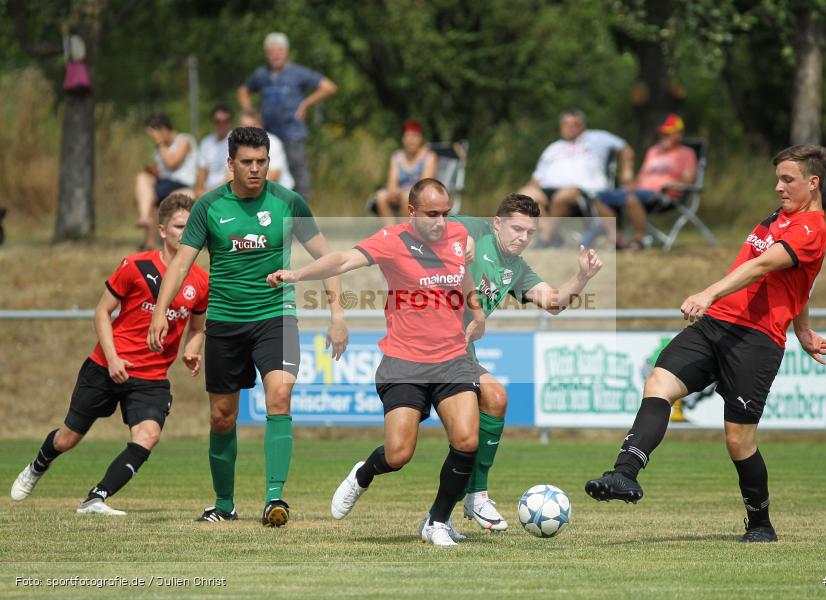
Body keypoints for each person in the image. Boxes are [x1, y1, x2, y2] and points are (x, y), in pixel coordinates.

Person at [584, 144, 826, 543]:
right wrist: (803, 330)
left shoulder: (811, 228)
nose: (778, 187)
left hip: (755, 340)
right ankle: (624, 474)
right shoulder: (778, 218)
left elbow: (762, 266)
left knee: (738, 441)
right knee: (659, 384)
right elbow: (798, 282)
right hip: (715, 325)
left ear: (813, 182)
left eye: (787, 180)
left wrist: (709, 292)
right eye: (778, 179)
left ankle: (760, 523)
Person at [267, 178, 488, 546]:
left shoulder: (457, 234)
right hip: (404, 363)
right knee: (398, 454)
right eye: (432, 214)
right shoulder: (391, 240)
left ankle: (436, 521)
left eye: (446, 213)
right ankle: (363, 474)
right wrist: (297, 275)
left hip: (452, 358)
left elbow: (462, 275)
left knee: (466, 440)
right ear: (411, 212)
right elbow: (342, 259)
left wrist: (476, 312)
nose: (441, 221)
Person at [147, 127, 348, 528]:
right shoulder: (208, 207)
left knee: (280, 396)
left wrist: (338, 315)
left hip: (276, 316)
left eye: (262, 162)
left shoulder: (289, 202)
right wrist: (160, 311)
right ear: (230, 163)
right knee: (222, 417)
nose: (255, 169)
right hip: (225, 321)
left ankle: (275, 499)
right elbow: (182, 264)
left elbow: (329, 259)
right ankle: (224, 504)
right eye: (247, 162)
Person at [10, 194, 208, 514]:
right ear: (162, 230)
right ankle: (37, 467)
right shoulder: (137, 266)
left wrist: (192, 349)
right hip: (106, 366)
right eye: (179, 226)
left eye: (191, 227)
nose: (186, 233)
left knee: (148, 435)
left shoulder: (200, 281)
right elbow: (101, 312)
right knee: (67, 439)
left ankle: (95, 498)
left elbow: (197, 328)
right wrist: (113, 358)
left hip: (152, 376)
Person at [448, 194, 602, 531]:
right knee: (400, 451)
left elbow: (554, 302)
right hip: (425, 344)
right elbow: (433, 225)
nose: (523, 238)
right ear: (497, 223)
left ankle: (474, 497)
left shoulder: (516, 269)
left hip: (459, 352)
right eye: (517, 229)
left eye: (530, 232)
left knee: (494, 400)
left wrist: (582, 276)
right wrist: (460, 239)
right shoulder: (476, 230)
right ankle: (367, 475)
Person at [238, 32, 338, 198]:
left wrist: (306, 103)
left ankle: (301, 210)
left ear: (286, 52)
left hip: (292, 133)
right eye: (272, 52)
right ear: (266, 54)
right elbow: (243, 91)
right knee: (265, 172)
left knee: (298, 174)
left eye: (280, 51)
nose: (276, 55)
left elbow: (329, 87)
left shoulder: (298, 72)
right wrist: (251, 113)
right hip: (267, 135)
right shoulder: (261, 74)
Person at [518, 109, 634, 247]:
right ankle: (551, 235)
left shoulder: (598, 137)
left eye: (575, 124)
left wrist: (627, 172)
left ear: (584, 125)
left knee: (562, 197)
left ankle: (546, 238)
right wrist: (527, 190)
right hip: (549, 188)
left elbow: (626, 149)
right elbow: (537, 178)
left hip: (584, 191)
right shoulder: (553, 148)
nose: (570, 127)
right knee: (524, 196)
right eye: (566, 124)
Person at [597, 114, 697, 250]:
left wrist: (666, 187)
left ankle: (639, 240)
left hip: (663, 195)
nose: (663, 137)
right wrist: (630, 184)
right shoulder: (653, 151)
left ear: (679, 134)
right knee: (599, 198)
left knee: (631, 198)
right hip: (640, 191)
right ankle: (616, 240)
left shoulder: (686, 153)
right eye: (662, 133)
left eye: (668, 134)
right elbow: (641, 177)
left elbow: (688, 180)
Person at [135, 113, 197, 250]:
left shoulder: (184, 140)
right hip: (165, 183)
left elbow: (171, 163)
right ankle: (144, 219)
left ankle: (150, 241)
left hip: (181, 183)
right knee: (142, 178)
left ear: (163, 129)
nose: (153, 139)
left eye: (153, 135)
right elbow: (161, 170)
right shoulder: (158, 148)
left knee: (153, 196)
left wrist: (160, 143)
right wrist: (152, 171)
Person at [373, 120, 438, 226]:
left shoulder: (429, 156)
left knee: (407, 196)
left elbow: (424, 184)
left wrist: (404, 192)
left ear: (420, 138)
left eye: (414, 136)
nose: (411, 140)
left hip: (420, 193)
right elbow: (392, 181)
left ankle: (406, 230)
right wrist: (393, 191)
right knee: (380, 195)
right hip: (400, 192)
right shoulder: (397, 156)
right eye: (408, 136)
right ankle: (391, 230)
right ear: (403, 139)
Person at [238, 110, 295, 191]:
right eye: (244, 127)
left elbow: (274, 176)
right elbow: (231, 174)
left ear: (260, 126)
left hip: (278, 191)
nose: (247, 132)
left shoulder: (273, 143)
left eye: (251, 127)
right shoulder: (237, 144)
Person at [195, 105, 233, 197]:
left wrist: (206, 194)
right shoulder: (206, 142)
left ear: (230, 122)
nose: (221, 124)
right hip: (206, 191)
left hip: (227, 190)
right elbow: (202, 171)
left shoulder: (236, 140)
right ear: (212, 122)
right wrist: (198, 191)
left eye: (225, 121)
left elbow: (231, 178)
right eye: (217, 121)